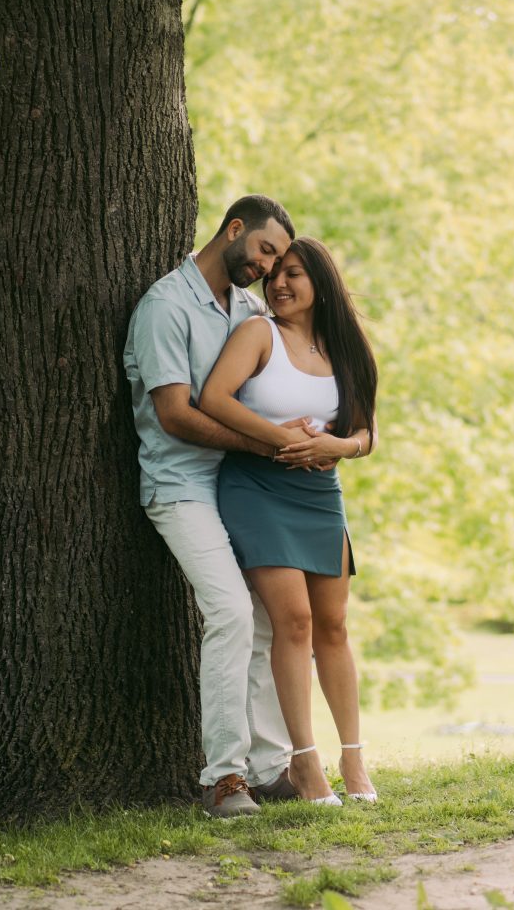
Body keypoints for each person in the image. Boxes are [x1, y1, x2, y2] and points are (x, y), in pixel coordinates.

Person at [124, 195, 326, 818]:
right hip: (180, 487)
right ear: (234, 231)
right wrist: (267, 444)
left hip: (241, 489)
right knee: (233, 613)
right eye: (264, 251)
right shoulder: (165, 305)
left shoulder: (245, 309)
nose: (268, 269)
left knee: (269, 619)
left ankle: (271, 768)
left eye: (277, 260)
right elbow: (175, 415)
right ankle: (224, 778)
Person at [199, 237, 378, 805]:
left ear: (320, 282)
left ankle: (355, 761)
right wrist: (281, 440)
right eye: (274, 274)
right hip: (256, 489)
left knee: (334, 627)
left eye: (293, 273)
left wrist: (337, 447)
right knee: (294, 622)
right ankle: (304, 765)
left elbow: (365, 434)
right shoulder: (258, 334)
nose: (278, 283)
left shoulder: (347, 350)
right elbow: (213, 399)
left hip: (320, 493)